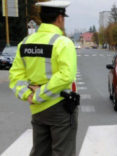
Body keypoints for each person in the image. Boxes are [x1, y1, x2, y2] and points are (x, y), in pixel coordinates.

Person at [9, 1, 78, 155]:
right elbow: (66, 76)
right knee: (63, 152)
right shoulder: (63, 43)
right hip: (60, 107)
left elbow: (15, 76)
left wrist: (28, 95)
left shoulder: (25, 43)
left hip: (37, 109)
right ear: (60, 18)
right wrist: (39, 95)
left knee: (40, 152)